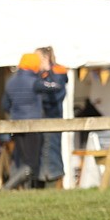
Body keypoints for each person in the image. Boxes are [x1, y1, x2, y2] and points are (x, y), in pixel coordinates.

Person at [0, 53, 44, 190]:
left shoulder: (11, 81)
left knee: (24, 160)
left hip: (16, 125)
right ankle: (7, 188)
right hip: (33, 125)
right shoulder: (35, 81)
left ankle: (23, 188)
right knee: (32, 163)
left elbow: (5, 105)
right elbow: (56, 88)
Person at [34, 46, 69, 185]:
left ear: (45, 57)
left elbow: (57, 93)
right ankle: (44, 179)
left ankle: (53, 180)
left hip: (52, 115)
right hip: (41, 117)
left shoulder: (57, 72)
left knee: (51, 149)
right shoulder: (40, 74)